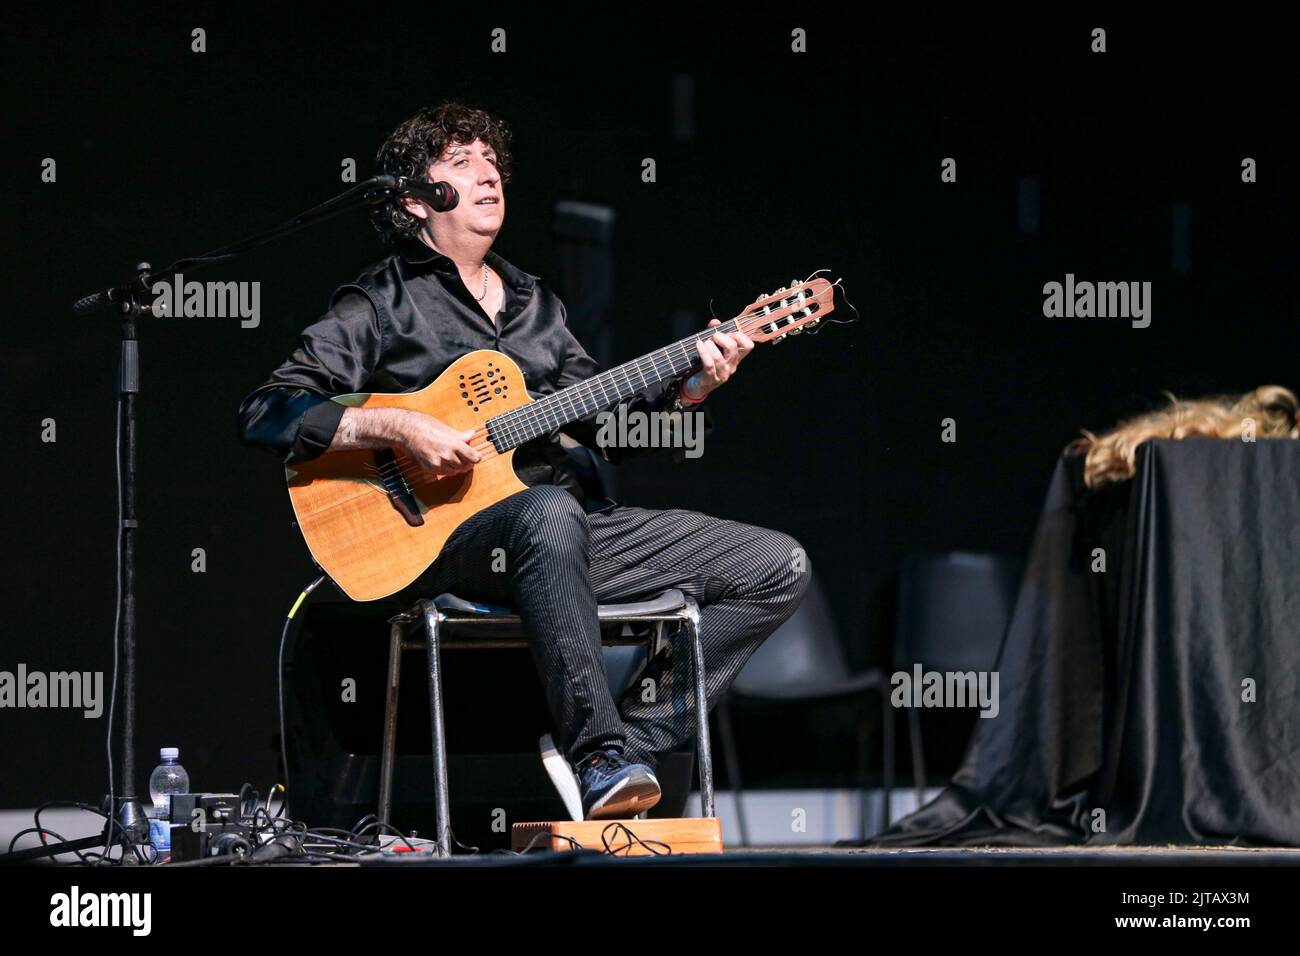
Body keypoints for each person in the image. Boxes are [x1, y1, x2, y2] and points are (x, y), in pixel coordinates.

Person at [238, 102, 811, 820]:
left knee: (775, 565)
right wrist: (399, 427)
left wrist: (688, 389)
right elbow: (267, 411)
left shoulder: (537, 304)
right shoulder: (383, 299)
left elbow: (606, 425)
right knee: (546, 510)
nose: (487, 176)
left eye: (492, 162)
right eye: (461, 163)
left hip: (560, 533)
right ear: (416, 200)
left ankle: (631, 739)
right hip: (446, 541)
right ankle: (597, 756)